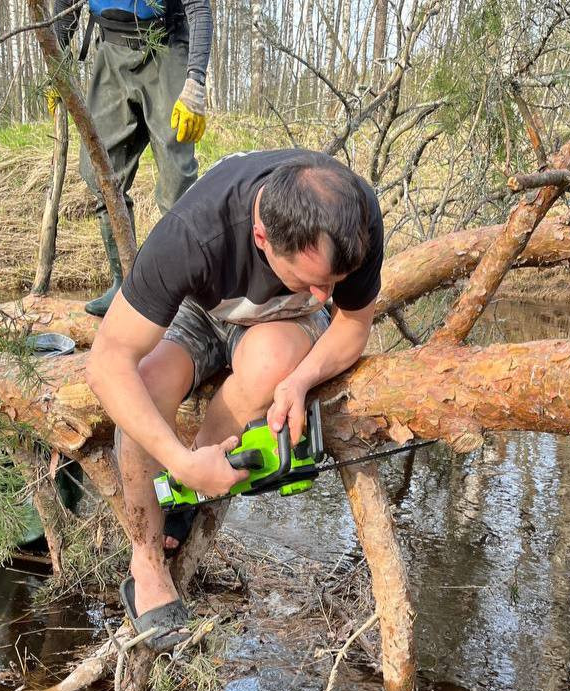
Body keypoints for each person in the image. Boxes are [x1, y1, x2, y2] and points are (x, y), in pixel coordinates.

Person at [87, 149, 384, 646]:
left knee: (273, 366)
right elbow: (107, 363)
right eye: (311, 281)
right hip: (201, 309)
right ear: (262, 238)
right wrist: (177, 459)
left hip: (278, 324)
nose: (323, 296)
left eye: (331, 284)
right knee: (151, 383)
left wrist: (300, 380)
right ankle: (146, 559)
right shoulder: (193, 233)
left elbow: (353, 325)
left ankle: (194, 490)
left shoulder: (355, 214)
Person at [51, 0, 213, 316]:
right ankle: (125, 283)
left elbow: (199, 9)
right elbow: (66, 6)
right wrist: (56, 61)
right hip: (110, 47)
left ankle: (180, 292)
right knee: (100, 170)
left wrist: (195, 80)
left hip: (165, 45)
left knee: (177, 181)